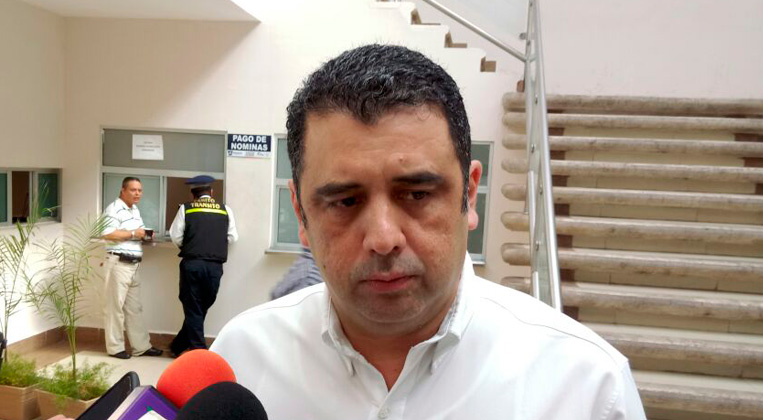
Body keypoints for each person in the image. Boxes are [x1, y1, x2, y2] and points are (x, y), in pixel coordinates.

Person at [210, 44, 646, 419]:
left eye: (417, 194)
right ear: (300, 213)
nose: (384, 239)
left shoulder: (587, 388)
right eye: (345, 201)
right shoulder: (240, 361)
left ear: (470, 195)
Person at [168, 175, 238, 358]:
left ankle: (179, 346)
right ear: (211, 193)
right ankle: (199, 351)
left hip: (192, 264)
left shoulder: (186, 208)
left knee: (194, 308)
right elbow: (232, 237)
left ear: (193, 195)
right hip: (215, 266)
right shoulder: (225, 210)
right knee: (199, 307)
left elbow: (175, 236)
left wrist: (192, 246)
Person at [101, 177, 163, 359]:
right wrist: (134, 233)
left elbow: (137, 232)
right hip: (118, 264)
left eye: (140, 190)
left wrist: (145, 235)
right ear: (123, 190)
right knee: (115, 309)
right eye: (133, 190)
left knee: (134, 309)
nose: (137, 193)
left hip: (133, 265)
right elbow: (108, 233)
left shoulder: (134, 210)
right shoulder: (113, 209)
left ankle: (141, 347)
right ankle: (115, 348)